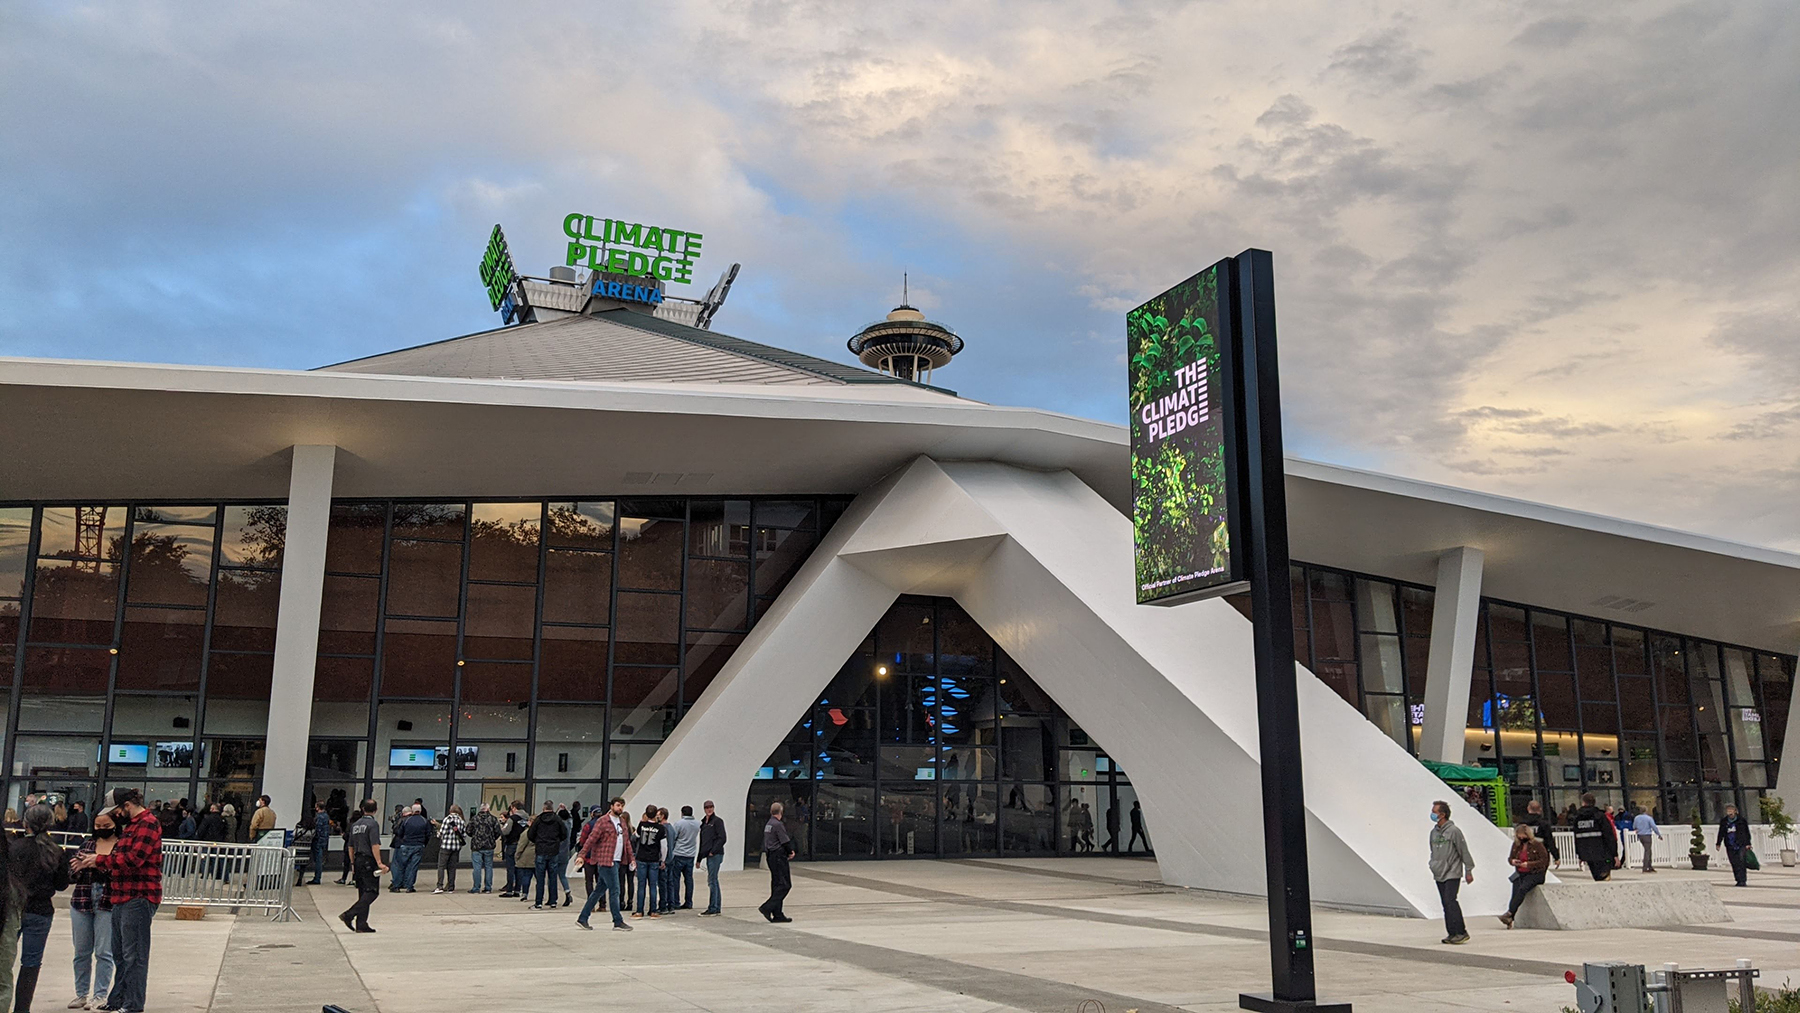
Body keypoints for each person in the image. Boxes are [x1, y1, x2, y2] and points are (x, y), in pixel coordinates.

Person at [73, 788, 161, 1013]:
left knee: (135, 956)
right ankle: (118, 1000)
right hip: (120, 895)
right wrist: (99, 861)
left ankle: (133, 1005)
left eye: (116, 811)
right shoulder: (131, 826)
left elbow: (134, 859)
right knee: (121, 954)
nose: (115, 816)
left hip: (139, 895)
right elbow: (119, 859)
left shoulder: (148, 823)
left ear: (127, 805)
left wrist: (99, 861)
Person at [11, 804, 71, 1011]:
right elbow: (61, 884)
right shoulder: (55, 851)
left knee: (4, 958)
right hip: (42, 910)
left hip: (15, 908)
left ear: (25, 823)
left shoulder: (15, 848)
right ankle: (22, 1007)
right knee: (32, 961)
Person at [68, 811, 116, 1011]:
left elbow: (120, 871)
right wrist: (78, 868)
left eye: (106, 826)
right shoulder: (87, 844)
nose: (101, 829)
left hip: (107, 900)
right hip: (82, 898)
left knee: (104, 951)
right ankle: (81, 993)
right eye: (98, 826)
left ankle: (100, 994)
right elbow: (72, 871)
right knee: (81, 951)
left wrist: (97, 864)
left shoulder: (120, 846)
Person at [575, 797, 635, 932]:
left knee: (599, 891)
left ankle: (583, 918)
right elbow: (591, 839)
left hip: (617, 860)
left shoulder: (622, 822)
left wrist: (631, 859)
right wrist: (581, 855)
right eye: (618, 805)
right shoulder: (603, 821)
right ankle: (617, 921)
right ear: (612, 806)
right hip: (606, 860)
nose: (620, 808)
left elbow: (627, 842)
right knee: (615, 890)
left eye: (622, 806)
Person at [1428, 799, 1474, 944]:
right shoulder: (1433, 833)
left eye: (1434, 812)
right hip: (1438, 871)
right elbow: (1433, 850)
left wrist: (1468, 869)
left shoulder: (1454, 831)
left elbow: (1463, 851)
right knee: (1445, 903)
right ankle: (1451, 932)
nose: (1432, 814)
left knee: (1450, 900)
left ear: (1442, 814)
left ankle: (1461, 931)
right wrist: (1432, 864)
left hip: (1452, 871)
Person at [339, 799, 387, 933]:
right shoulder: (373, 824)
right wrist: (379, 863)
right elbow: (375, 845)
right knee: (372, 892)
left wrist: (353, 863)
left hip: (358, 860)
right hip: (368, 860)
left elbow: (350, 846)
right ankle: (349, 914)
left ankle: (361, 923)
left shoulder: (355, 825)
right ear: (375, 810)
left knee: (363, 893)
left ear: (362, 809)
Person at [1498, 824, 1550, 928]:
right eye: (1519, 836)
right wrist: (1513, 861)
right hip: (1520, 872)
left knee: (1522, 889)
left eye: (1523, 836)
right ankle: (1510, 916)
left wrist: (1529, 864)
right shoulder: (1516, 845)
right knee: (1515, 892)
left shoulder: (1537, 845)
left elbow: (1544, 861)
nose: (1521, 838)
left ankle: (1509, 914)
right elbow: (1510, 858)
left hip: (1535, 873)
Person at [759, 801, 795, 924]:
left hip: (770, 855)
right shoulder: (778, 824)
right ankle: (767, 907)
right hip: (779, 856)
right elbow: (784, 841)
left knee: (776, 884)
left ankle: (778, 913)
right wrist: (790, 851)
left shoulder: (768, 824)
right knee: (785, 884)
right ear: (781, 812)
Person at [529, 801, 566, 909]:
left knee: (540, 879)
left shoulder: (538, 820)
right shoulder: (557, 819)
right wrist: (556, 841)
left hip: (541, 849)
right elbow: (564, 833)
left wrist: (538, 841)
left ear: (543, 808)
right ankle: (553, 900)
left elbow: (530, 834)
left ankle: (539, 902)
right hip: (553, 850)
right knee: (552, 877)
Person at [1571, 793, 1617, 881]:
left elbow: (1576, 837)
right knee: (1604, 878)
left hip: (1586, 853)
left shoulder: (1578, 818)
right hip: (1602, 853)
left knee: (1596, 877)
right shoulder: (1600, 816)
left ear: (1583, 803)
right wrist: (1614, 853)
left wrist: (1580, 854)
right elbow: (1609, 835)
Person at [632, 805, 665, 919]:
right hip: (654, 859)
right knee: (653, 885)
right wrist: (663, 859)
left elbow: (635, 836)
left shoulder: (642, 825)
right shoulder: (660, 828)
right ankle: (653, 911)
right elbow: (664, 846)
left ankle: (639, 911)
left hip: (641, 858)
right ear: (656, 814)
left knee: (641, 885)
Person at [390, 803, 431, 892]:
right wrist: (424, 843)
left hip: (406, 844)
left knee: (401, 866)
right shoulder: (424, 821)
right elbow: (428, 834)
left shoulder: (407, 821)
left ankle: (396, 886)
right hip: (418, 845)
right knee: (413, 867)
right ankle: (409, 886)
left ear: (412, 811)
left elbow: (400, 832)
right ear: (420, 811)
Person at [697, 800, 728, 916]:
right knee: (713, 880)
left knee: (712, 880)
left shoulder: (717, 822)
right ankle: (715, 906)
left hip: (715, 855)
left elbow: (722, 838)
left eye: (711, 807)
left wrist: (713, 851)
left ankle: (713, 907)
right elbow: (703, 842)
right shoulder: (704, 823)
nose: (709, 809)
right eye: (707, 807)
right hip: (708, 854)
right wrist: (699, 859)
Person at [667, 805, 700, 911]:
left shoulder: (679, 823)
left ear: (682, 813)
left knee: (675, 879)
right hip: (690, 854)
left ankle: (676, 901)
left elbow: (674, 836)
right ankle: (689, 901)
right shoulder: (697, 824)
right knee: (689, 879)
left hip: (679, 853)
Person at [465, 803, 500, 894]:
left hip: (477, 846)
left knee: (477, 867)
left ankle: (476, 888)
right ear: (488, 809)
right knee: (488, 867)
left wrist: (475, 836)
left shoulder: (474, 819)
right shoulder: (493, 819)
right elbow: (498, 832)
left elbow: (468, 831)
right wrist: (492, 839)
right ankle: (488, 888)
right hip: (489, 846)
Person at [432, 805, 466, 894]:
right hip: (456, 847)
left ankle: (440, 886)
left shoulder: (447, 819)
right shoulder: (461, 821)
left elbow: (442, 833)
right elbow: (463, 835)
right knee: (452, 867)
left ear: (450, 811)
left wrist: (437, 833)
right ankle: (451, 887)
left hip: (446, 847)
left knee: (441, 866)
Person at [1716, 803, 1751, 887]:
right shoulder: (1724, 821)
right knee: (1734, 862)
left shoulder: (1741, 820)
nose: (1729, 812)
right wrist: (1718, 843)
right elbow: (1721, 832)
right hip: (1730, 844)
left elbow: (1746, 832)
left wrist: (1748, 843)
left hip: (1740, 844)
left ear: (1735, 811)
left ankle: (1743, 880)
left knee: (1741, 862)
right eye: (1728, 810)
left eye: (1731, 810)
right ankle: (1738, 879)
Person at [1520, 799, 1560, 869]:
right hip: (1541, 854)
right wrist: (1556, 857)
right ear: (1540, 809)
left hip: (1524, 854)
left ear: (1528, 809)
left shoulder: (1521, 824)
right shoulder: (1544, 824)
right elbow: (1550, 841)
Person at [498, 802, 527, 898]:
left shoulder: (512, 819)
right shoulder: (526, 818)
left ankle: (510, 890)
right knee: (519, 868)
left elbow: (505, 831)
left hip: (512, 844)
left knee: (511, 868)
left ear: (514, 808)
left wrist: (502, 827)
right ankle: (518, 890)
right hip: (523, 845)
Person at [553, 804, 574, 906]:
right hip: (566, 853)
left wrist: (557, 809)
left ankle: (553, 896)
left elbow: (554, 818)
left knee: (552, 876)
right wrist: (566, 809)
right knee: (562, 875)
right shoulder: (569, 825)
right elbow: (570, 818)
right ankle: (567, 891)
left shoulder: (558, 826)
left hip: (556, 852)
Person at [1631, 806, 1662, 873]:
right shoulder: (1649, 818)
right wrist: (1658, 834)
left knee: (1648, 850)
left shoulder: (1636, 818)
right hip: (1647, 835)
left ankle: (1649, 866)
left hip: (1640, 835)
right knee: (1647, 851)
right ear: (1646, 810)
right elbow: (1654, 826)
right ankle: (1645, 867)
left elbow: (1634, 826)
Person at [310, 801, 333, 885]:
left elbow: (318, 829)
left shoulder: (319, 817)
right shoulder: (326, 816)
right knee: (319, 859)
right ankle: (317, 877)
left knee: (318, 860)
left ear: (317, 807)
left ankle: (317, 878)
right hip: (324, 840)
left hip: (318, 840)